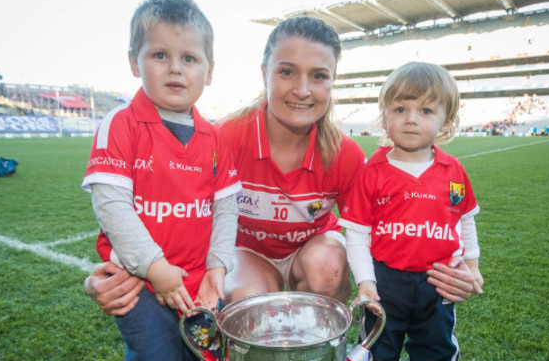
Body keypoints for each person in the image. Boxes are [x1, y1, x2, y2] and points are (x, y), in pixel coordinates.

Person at [85, 16, 478, 315]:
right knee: (244, 297)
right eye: (286, 71)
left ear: (332, 81)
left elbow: (391, 225)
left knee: (329, 266)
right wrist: (113, 274)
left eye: (318, 76)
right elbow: (168, 216)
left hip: (312, 253)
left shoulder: (345, 155)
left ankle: (316, 346)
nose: (302, 90)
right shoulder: (224, 139)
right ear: (264, 74)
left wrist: (449, 268)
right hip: (246, 256)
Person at [81, 0, 241, 361]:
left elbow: (225, 213)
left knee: (197, 359)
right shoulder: (121, 125)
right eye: (159, 55)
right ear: (135, 61)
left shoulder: (216, 139)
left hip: (196, 283)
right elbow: (113, 206)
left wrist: (216, 268)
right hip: (143, 285)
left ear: (209, 71)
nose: (176, 68)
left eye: (189, 58)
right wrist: (156, 269)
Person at [339, 61, 484, 361]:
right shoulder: (373, 171)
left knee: (435, 354)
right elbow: (358, 235)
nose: (410, 120)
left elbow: (466, 221)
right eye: (400, 109)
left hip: (437, 285)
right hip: (387, 283)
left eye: (425, 111)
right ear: (385, 115)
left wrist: (471, 266)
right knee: (379, 354)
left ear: (446, 120)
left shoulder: (453, 171)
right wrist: (366, 283)